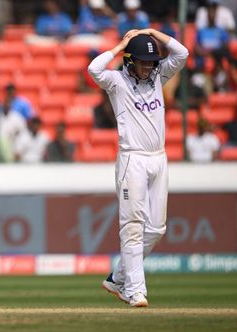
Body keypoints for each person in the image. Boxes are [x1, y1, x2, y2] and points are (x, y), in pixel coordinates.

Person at [88, 28, 188, 307]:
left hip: (159, 158)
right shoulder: (116, 81)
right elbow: (93, 68)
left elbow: (182, 53)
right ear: (130, 60)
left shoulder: (159, 77)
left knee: (156, 229)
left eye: (151, 62)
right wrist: (121, 45)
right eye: (143, 62)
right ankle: (134, 290)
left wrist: (153, 32)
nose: (148, 67)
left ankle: (117, 277)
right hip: (133, 159)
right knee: (132, 227)